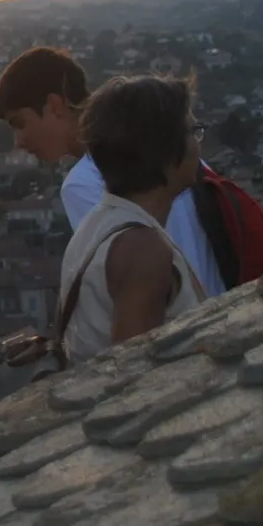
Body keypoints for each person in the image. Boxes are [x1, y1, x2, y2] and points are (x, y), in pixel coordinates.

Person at [0, 47, 225, 298]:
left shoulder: (83, 182)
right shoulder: (165, 144)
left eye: (19, 123)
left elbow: (130, 286)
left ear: (55, 105)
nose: (18, 141)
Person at [57, 75, 207, 365]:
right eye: (193, 131)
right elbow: (134, 372)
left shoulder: (99, 224)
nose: (199, 145)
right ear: (164, 147)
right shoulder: (142, 249)